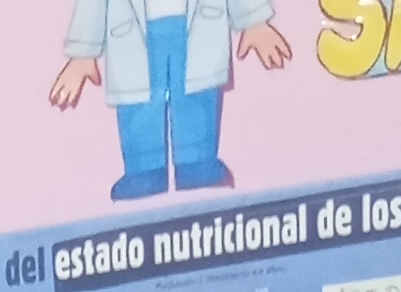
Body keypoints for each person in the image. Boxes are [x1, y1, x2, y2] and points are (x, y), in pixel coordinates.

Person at [51, 0, 289, 201]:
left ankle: (197, 161)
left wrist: (254, 20)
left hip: (198, 28)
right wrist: (82, 54)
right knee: (140, 105)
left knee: (197, 97)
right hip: (133, 35)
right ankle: (144, 169)